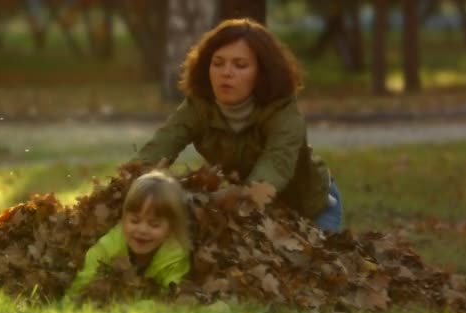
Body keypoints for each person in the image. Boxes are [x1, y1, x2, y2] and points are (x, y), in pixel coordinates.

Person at [133, 18, 342, 232]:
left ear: (262, 72)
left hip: (310, 207)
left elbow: (273, 170)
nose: (226, 72)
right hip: (251, 209)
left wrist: (230, 200)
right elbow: (161, 145)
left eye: (240, 65)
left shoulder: (283, 111)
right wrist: (132, 183)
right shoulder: (198, 105)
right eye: (218, 63)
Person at [69, 170, 191, 294]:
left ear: (170, 230)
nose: (142, 230)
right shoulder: (107, 248)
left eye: (154, 225)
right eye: (135, 221)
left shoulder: (174, 256)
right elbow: (81, 289)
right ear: (123, 219)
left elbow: (172, 295)